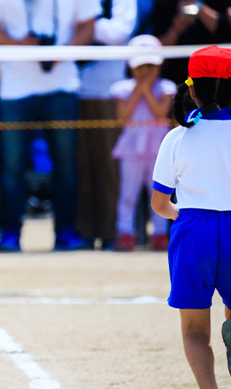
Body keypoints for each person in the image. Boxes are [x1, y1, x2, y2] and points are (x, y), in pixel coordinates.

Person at [149, 45, 231, 389]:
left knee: (195, 329)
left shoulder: (177, 139)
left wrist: (186, 215)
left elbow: (160, 203)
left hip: (193, 229)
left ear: (190, 91)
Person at [0, 0, 100, 252]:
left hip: (62, 84)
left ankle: (66, 232)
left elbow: (88, 26)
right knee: (12, 166)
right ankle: (10, 232)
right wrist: (20, 46)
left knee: (66, 164)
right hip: (15, 87)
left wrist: (62, 52)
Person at [74, 0, 137, 250]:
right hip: (76, 90)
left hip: (110, 92)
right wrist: (84, 29)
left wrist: (85, 26)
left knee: (111, 169)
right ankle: (85, 232)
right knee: (83, 168)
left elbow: (119, 32)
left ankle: (113, 231)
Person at [111, 35, 175, 252]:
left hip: (159, 149)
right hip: (131, 149)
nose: (145, 71)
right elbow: (123, 116)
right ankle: (125, 232)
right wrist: (139, 90)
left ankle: (160, 233)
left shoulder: (166, 87)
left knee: (158, 192)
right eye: (141, 66)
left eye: (150, 66)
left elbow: (160, 114)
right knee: (128, 193)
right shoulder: (123, 88)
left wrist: (146, 90)